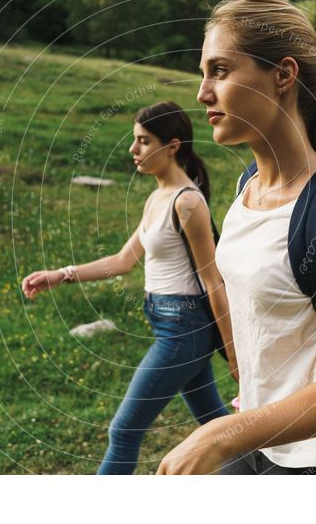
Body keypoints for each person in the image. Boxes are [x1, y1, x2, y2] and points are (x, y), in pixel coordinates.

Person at [156, 0, 316, 475]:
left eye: (221, 70)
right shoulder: (246, 188)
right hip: (263, 438)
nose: (202, 92)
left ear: (283, 76)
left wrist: (223, 433)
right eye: (203, 73)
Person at [21, 101, 236, 474]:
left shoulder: (187, 203)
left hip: (183, 331)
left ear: (171, 146)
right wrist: (62, 273)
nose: (132, 150)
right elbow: (123, 260)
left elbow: (212, 279)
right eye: (134, 140)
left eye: (143, 141)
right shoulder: (158, 197)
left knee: (123, 430)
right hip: (172, 325)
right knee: (216, 424)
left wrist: (235, 355)